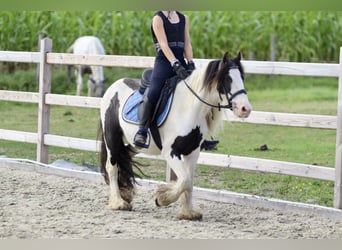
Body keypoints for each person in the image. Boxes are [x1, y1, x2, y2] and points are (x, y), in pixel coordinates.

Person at [134, 10, 195, 148]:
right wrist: (175, 63)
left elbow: (187, 44)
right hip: (164, 63)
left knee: (196, 90)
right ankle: (142, 130)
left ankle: (198, 132)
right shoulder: (158, 18)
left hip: (181, 61)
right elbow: (163, 44)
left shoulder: (184, 18)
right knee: (154, 92)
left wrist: (190, 63)